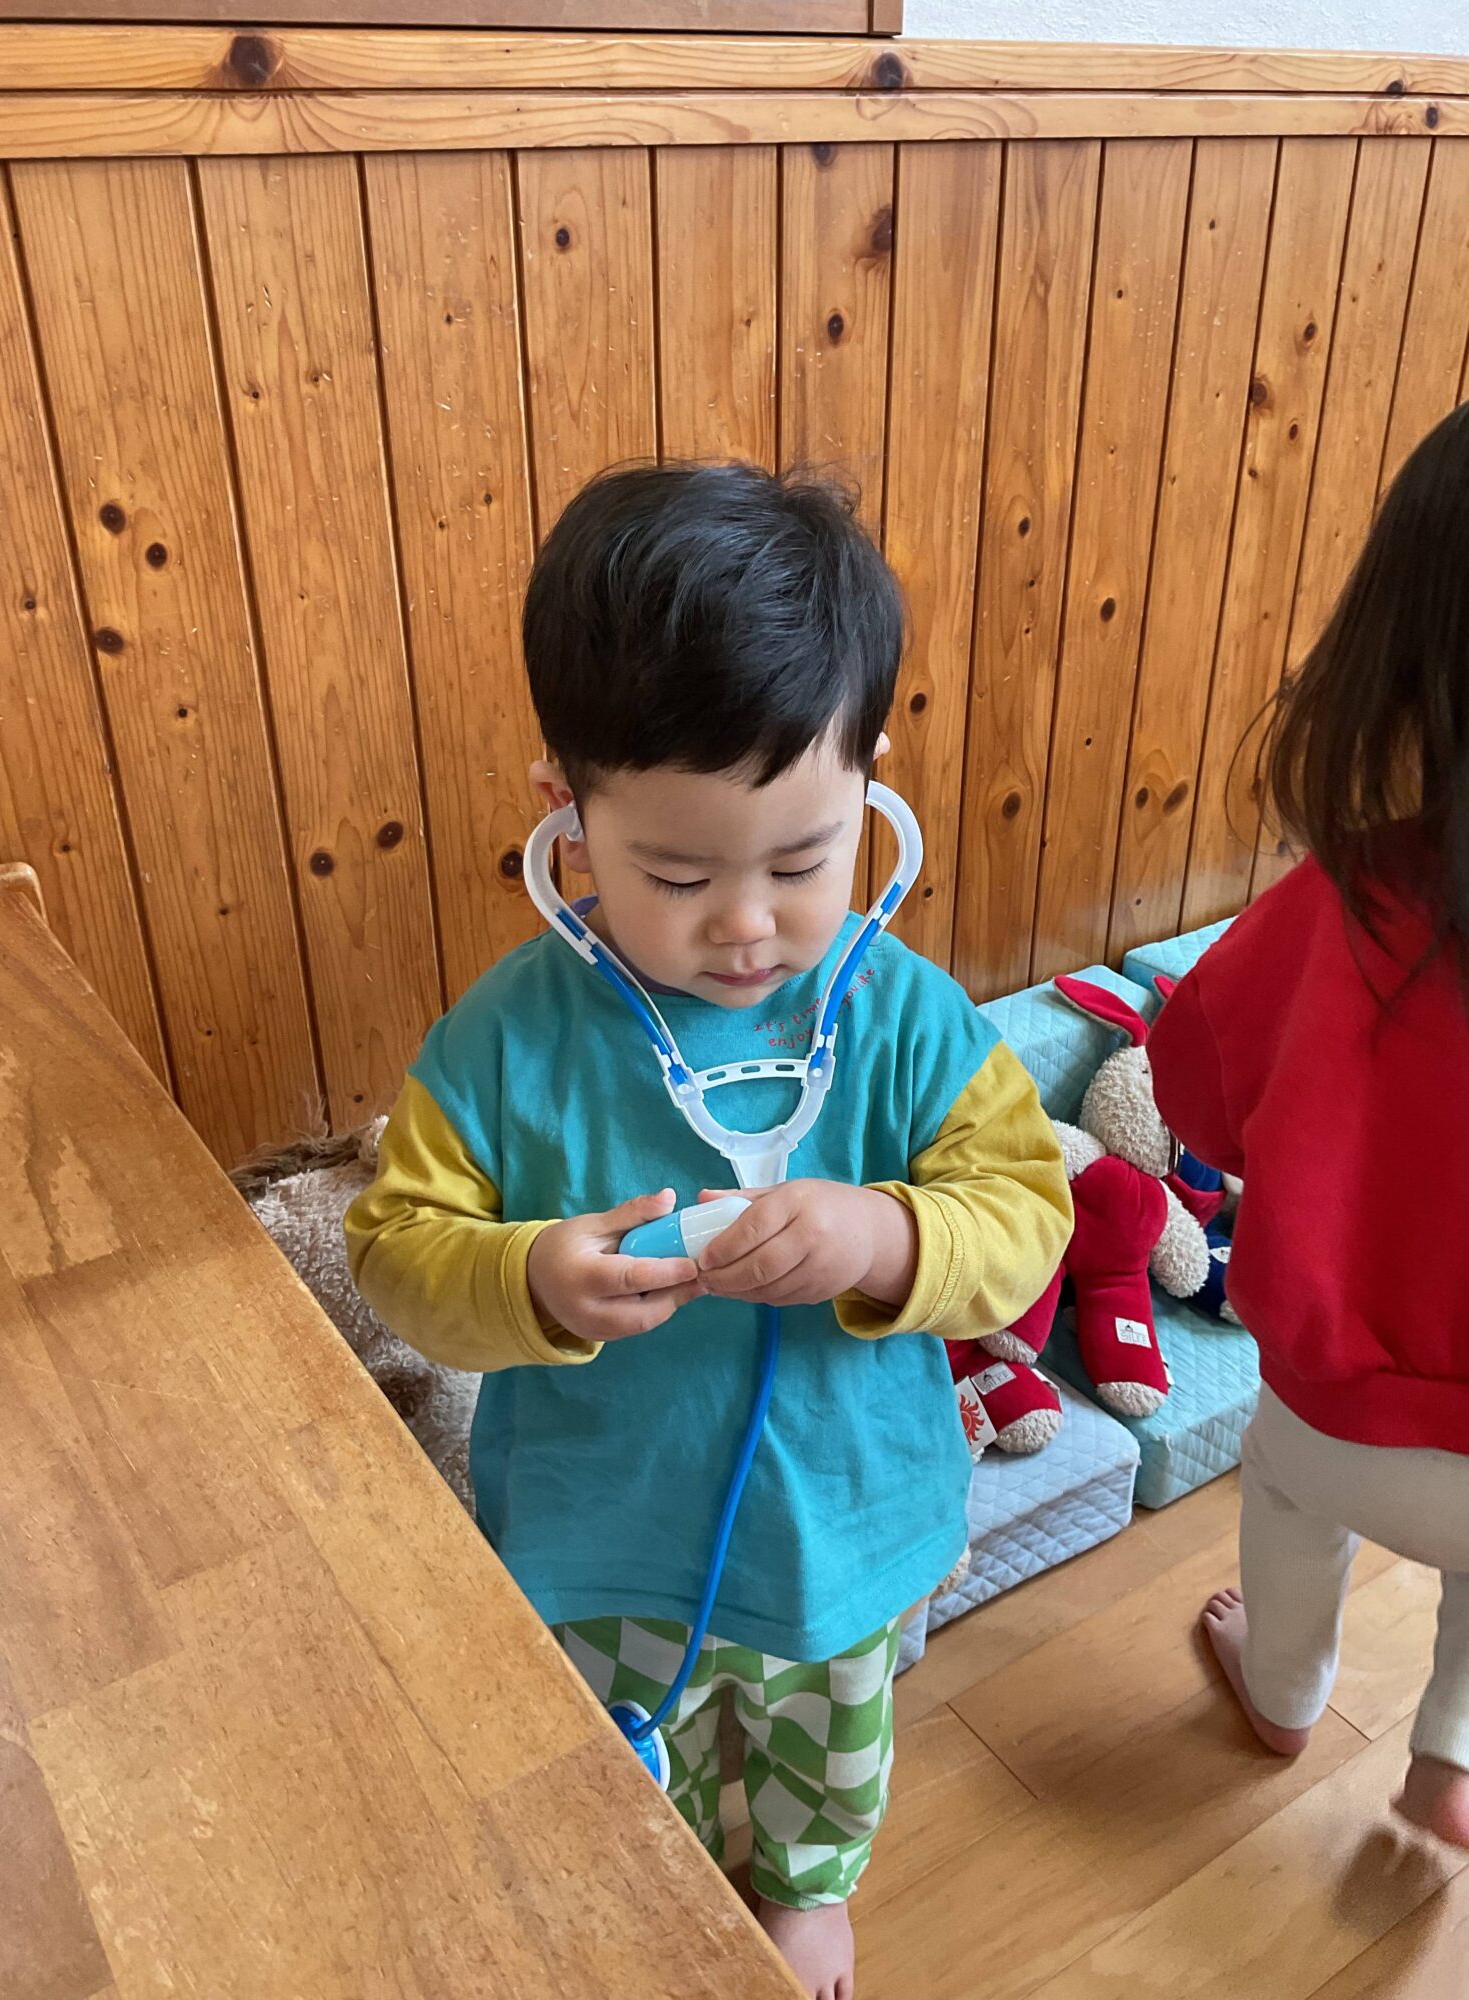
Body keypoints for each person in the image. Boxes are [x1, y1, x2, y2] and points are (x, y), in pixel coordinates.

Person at [346, 463, 1072, 1998]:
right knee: (627, 1762)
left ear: (869, 783)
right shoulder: (507, 1043)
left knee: (827, 1741)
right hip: (602, 1536)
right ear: (567, 812)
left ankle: (806, 1894)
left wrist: (885, 1239)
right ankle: (662, 1889)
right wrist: (528, 1276)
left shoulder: (903, 1019)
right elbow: (398, 1251)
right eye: (676, 874)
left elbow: (1026, 1216)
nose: (747, 923)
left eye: (803, 863)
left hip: (841, 1527)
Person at [1149, 403, 1469, 1851]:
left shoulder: (1342, 904)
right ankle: (1451, 1756)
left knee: (1283, 1498)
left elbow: (1194, 1094)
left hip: (1338, 1415)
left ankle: (1282, 1690)